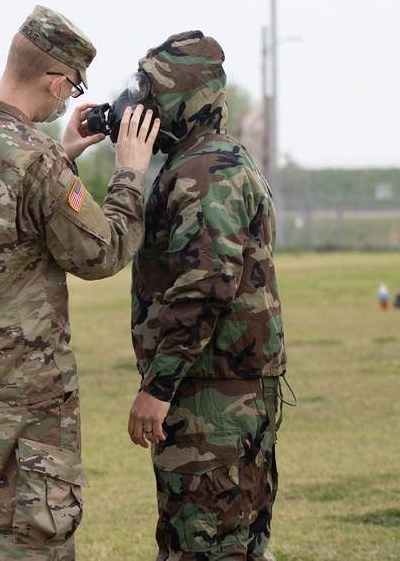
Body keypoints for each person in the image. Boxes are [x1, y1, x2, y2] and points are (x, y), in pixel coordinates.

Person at [0, 4, 160, 560]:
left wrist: (65, 152)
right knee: (31, 542)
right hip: (23, 386)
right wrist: (130, 171)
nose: (68, 100)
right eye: (72, 88)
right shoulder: (35, 159)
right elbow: (103, 251)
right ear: (55, 80)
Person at [124, 31, 289, 560]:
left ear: (186, 99)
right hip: (221, 389)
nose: (140, 103)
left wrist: (159, 385)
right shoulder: (205, 159)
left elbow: (206, 284)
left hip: (211, 396)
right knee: (232, 542)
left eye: (152, 91)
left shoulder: (204, 169)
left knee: (205, 545)